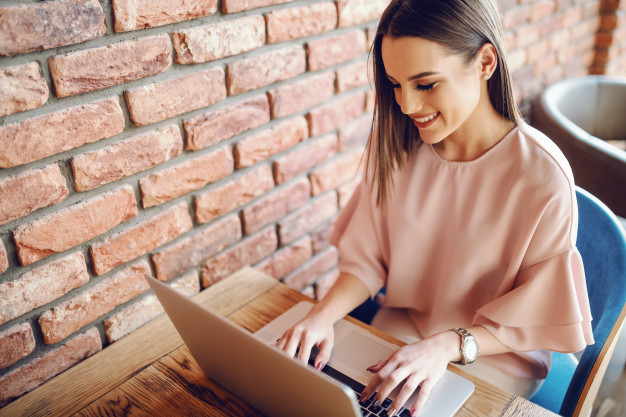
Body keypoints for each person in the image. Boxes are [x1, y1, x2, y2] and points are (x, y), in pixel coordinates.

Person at [276, 0, 594, 415]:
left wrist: (449, 345)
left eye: (425, 84)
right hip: (402, 331)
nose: (406, 106)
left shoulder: (543, 176)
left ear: (485, 62)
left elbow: (535, 317)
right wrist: (321, 314)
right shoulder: (397, 144)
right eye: (395, 84)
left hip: (492, 354)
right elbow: (367, 260)